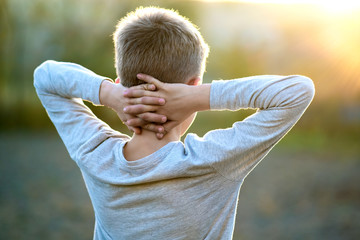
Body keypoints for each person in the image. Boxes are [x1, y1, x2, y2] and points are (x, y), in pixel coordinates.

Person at [33, 7, 315, 240]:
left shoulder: (96, 155)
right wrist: (199, 97)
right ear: (193, 85)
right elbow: (298, 92)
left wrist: (109, 95)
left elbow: (45, 77)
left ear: (120, 82)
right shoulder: (212, 161)